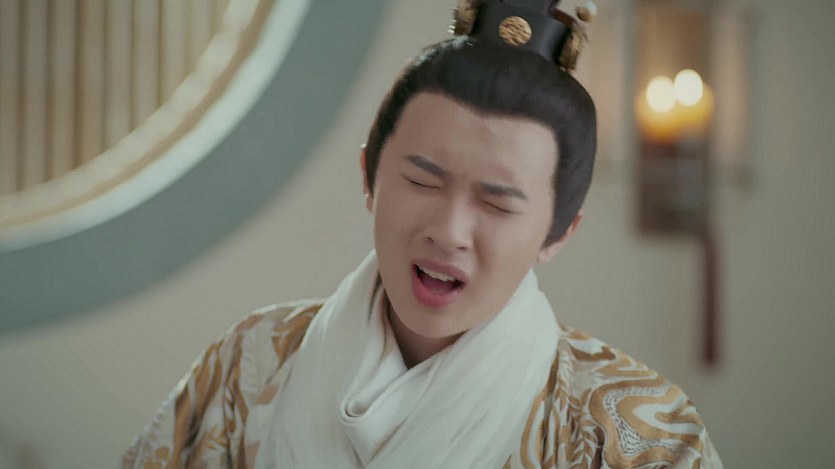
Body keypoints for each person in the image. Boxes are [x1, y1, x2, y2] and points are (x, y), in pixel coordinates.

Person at [122, 1, 722, 467]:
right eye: (422, 181)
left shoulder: (635, 431)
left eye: (497, 202)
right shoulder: (249, 366)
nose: (449, 231)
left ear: (558, 232)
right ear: (369, 176)